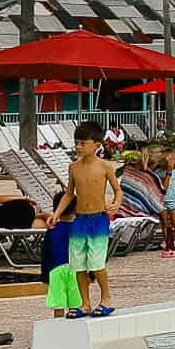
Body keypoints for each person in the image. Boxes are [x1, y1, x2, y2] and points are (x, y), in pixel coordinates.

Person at [46, 120, 122, 318]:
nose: (78, 147)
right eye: (76, 143)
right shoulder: (74, 168)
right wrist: (56, 213)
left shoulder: (105, 166)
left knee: (96, 263)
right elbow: (69, 193)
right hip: (79, 220)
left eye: (82, 143)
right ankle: (84, 303)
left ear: (96, 146)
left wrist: (116, 203)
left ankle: (106, 299)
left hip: (98, 220)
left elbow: (117, 190)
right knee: (78, 263)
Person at [158, 146, 175, 258]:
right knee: (165, 224)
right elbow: (162, 187)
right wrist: (168, 172)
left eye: (172, 160)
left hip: (172, 200)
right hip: (162, 201)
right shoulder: (159, 172)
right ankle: (168, 244)